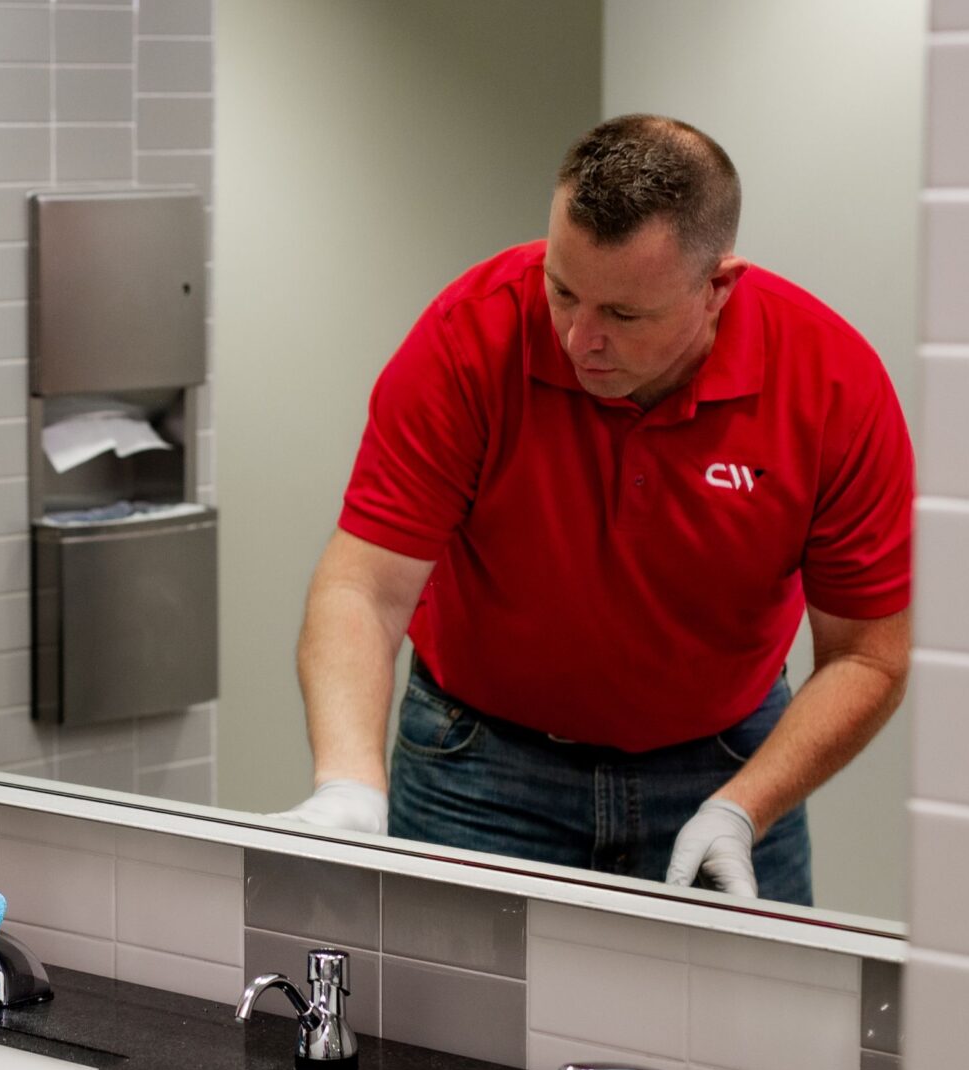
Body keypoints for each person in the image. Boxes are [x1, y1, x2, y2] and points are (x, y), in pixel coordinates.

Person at [287, 116, 912, 905]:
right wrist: (347, 782)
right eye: (562, 291)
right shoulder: (471, 336)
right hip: (481, 764)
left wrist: (744, 807)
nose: (580, 338)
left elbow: (868, 655)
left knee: (751, 992)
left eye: (623, 315)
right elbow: (365, 588)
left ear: (717, 288)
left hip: (727, 760)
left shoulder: (830, 384)